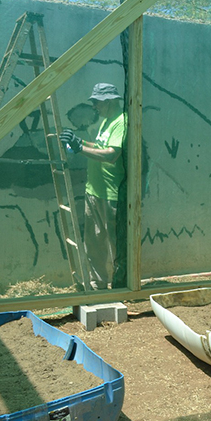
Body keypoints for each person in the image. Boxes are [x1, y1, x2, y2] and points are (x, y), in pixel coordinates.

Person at [60, 83, 127, 290]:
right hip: (94, 191)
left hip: (112, 194)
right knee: (94, 243)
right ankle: (98, 284)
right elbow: (99, 147)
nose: (94, 107)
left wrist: (79, 148)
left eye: (97, 102)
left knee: (117, 244)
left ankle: (122, 286)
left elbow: (111, 155)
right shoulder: (107, 121)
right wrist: (77, 141)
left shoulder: (122, 122)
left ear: (110, 101)